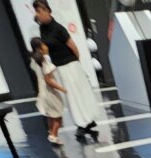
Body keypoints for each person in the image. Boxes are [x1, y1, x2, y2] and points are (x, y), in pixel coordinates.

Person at [33, 0, 100, 142]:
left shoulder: (59, 28)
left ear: (47, 10)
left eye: (39, 11)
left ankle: (85, 122)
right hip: (59, 67)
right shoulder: (42, 29)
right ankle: (82, 122)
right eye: (36, 11)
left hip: (71, 65)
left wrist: (76, 64)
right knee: (71, 97)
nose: (37, 14)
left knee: (78, 93)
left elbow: (74, 47)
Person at [29, 38, 67, 146]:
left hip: (43, 93)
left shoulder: (34, 60)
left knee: (51, 116)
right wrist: (62, 88)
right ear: (39, 48)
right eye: (44, 45)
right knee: (58, 116)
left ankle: (52, 135)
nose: (46, 47)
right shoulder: (44, 61)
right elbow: (48, 80)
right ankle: (53, 135)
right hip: (50, 93)